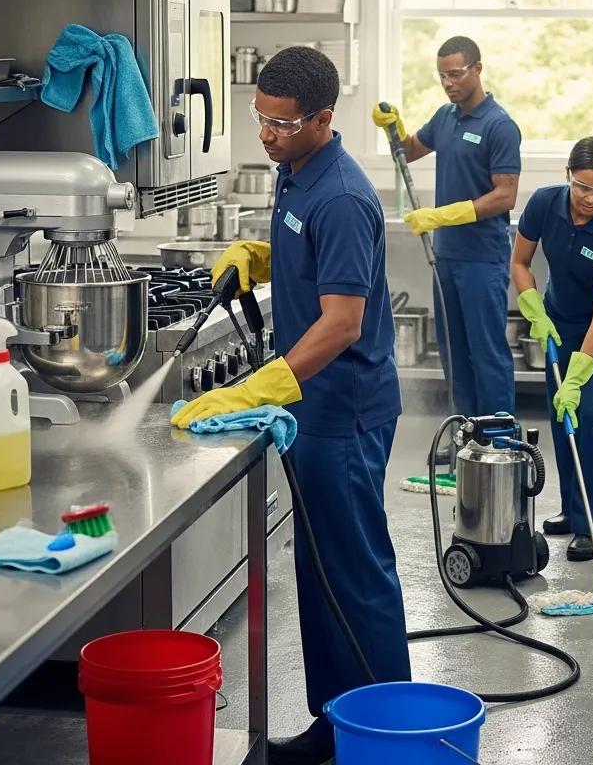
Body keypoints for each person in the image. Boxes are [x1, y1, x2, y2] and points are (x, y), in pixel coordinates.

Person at [172, 47, 410, 765]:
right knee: (320, 571)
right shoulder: (295, 172)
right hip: (316, 409)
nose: (268, 135)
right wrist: (261, 252)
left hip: (345, 409)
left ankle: (384, 734)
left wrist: (266, 382)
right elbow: (311, 257)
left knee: (357, 577)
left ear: (325, 119)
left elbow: (341, 322)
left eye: (283, 123)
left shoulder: (339, 193)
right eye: (262, 120)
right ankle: (335, 725)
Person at [372, 36, 521, 428]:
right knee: (454, 354)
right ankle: (467, 437)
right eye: (441, 76)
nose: (449, 83)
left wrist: (444, 216)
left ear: (477, 69)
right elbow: (408, 149)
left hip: (482, 258)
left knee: (486, 353)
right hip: (446, 257)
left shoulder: (499, 126)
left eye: (455, 74)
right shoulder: (445, 117)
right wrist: (394, 128)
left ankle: (501, 440)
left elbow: (505, 195)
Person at [511, 137, 593, 562]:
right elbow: (520, 262)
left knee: (591, 414)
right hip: (558, 319)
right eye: (583, 186)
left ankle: (590, 525)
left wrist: (581, 371)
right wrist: (531, 306)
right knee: (562, 413)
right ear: (567, 174)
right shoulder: (545, 204)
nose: (590, 199)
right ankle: (571, 505)